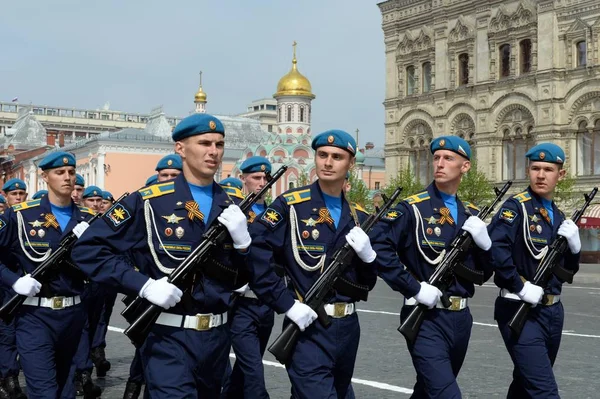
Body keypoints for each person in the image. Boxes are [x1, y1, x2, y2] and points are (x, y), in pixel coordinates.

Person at [71, 113, 252, 397]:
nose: (213, 152)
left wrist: (244, 246)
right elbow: (88, 250)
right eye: (204, 143)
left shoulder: (233, 206)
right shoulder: (148, 201)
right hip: (168, 337)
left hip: (217, 339)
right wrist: (143, 285)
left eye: (219, 144)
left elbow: (247, 277)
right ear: (180, 148)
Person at [245, 130, 377, 398]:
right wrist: (286, 304)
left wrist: (369, 258)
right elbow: (256, 257)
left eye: (337, 157)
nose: (328, 162)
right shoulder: (290, 206)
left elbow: (367, 282)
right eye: (322, 155)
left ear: (351, 164)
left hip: (347, 327)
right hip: (307, 326)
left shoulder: (359, 216)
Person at [371, 136, 493, 398]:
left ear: (465, 166)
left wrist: (485, 246)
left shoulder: (471, 214)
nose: (439, 163)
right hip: (424, 317)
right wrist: (413, 288)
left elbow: (484, 273)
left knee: (428, 391)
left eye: (448, 158)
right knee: (446, 394)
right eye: (436, 158)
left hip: (460, 319)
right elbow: (377, 246)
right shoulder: (412, 208)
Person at [489, 143, 581, 398]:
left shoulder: (559, 216)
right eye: (535, 168)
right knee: (544, 390)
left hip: (552, 311)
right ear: (528, 171)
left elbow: (566, 274)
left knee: (525, 385)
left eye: (548, 169)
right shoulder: (515, 208)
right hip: (519, 308)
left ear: (560, 175)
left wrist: (574, 249)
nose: (541, 175)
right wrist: (520, 286)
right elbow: (497, 251)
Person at [0, 151, 94, 398]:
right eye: (59, 173)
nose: (67, 178)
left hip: (73, 315)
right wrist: (15, 280)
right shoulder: (20, 215)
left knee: (66, 391)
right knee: (44, 391)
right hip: (35, 316)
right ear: (45, 177)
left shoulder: (88, 219)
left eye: (71, 173)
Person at [221, 156, 274, 399]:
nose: (262, 182)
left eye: (266, 178)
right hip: (240, 304)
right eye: (256, 178)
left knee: (244, 370)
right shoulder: (235, 212)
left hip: (267, 303)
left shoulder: (277, 213)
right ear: (244, 179)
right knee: (254, 372)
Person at [0, 180, 28, 399]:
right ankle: (9, 378)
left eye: (21, 193)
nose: (18, 198)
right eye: (14, 194)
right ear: (6, 196)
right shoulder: (4, 222)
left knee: (21, 335)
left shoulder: (29, 220)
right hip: (6, 286)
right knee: (7, 335)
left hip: (26, 288)